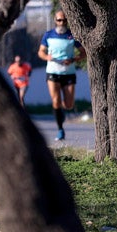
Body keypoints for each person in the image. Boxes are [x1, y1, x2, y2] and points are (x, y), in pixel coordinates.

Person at [38, 11, 85, 141]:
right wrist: (48, 57)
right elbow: (40, 52)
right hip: (53, 71)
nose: (62, 23)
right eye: (59, 20)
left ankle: (60, 113)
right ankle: (60, 129)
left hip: (69, 72)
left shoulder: (72, 35)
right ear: (55, 20)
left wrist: (74, 59)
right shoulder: (48, 35)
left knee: (69, 104)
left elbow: (83, 52)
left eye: (64, 20)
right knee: (56, 101)